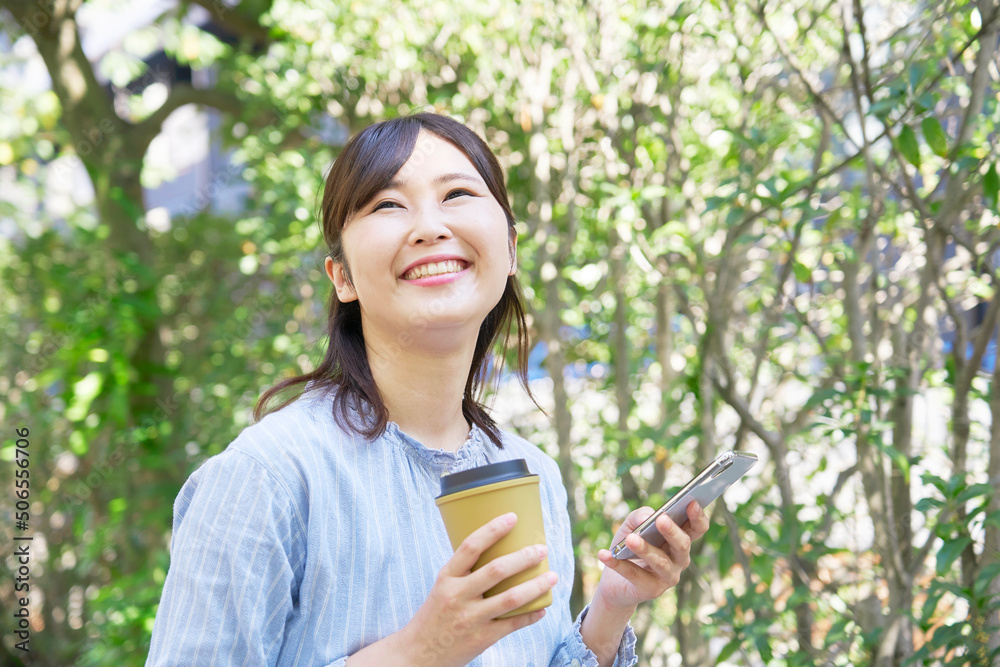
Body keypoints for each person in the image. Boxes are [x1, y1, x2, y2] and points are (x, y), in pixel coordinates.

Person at [146, 112, 709, 667]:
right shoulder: (268, 475)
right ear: (341, 276)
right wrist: (420, 652)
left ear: (510, 250)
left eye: (458, 194)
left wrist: (612, 608)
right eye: (389, 205)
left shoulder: (529, 471)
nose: (429, 226)